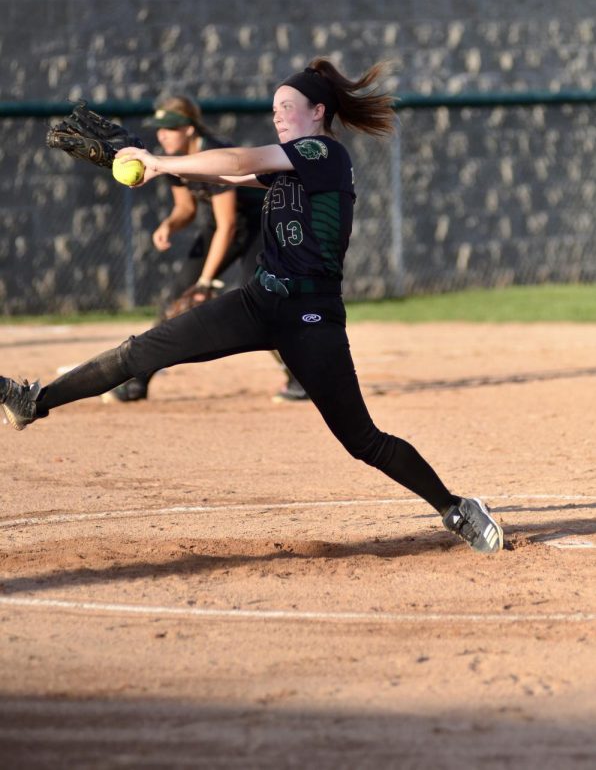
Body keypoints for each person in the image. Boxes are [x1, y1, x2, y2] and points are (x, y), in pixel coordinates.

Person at [0, 57, 503, 554]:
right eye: (274, 108)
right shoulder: (292, 166)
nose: (279, 115)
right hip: (258, 302)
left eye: (288, 107)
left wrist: (161, 163)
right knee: (141, 352)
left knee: (362, 440)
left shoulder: (325, 154)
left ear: (319, 113)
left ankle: (456, 508)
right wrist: (138, 159)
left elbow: (239, 161)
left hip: (312, 320)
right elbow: (228, 176)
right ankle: (32, 401)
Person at [105, 95, 307, 403]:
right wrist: (169, 225)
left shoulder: (213, 152)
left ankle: (299, 379)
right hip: (218, 227)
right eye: (159, 129)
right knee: (174, 300)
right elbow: (185, 209)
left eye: (170, 128)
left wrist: (205, 281)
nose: (162, 135)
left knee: (262, 302)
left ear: (189, 129)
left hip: (256, 229)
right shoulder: (172, 159)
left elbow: (229, 225)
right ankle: (138, 381)